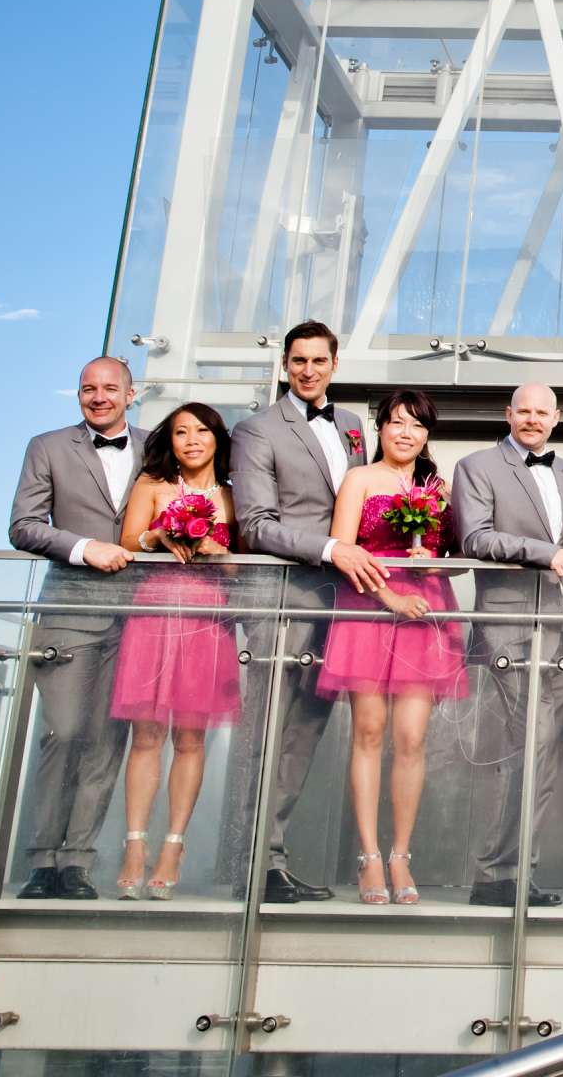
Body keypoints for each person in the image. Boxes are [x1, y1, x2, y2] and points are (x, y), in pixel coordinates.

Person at [230, 321, 386, 905]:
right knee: (267, 733)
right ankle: (250, 864)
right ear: (285, 365)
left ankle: (272, 860)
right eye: (298, 361)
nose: (308, 370)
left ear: (335, 363)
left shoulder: (349, 427)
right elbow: (255, 525)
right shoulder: (255, 430)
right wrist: (330, 548)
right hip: (283, 597)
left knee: (303, 736)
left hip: (340, 602)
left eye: (319, 360)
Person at [6, 357, 148, 899]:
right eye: (89, 388)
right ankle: (42, 859)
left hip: (139, 616)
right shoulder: (46, 447)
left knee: (108, 741)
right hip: (69, 607)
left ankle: (76, 862)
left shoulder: (157, 445)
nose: (99, 397)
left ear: (131, 394)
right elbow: (23, 526)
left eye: (110, 388)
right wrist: (84, 548)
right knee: (63, 733)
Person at [319, 389, 467, 906]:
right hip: (368, 604)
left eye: (417, 425)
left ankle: (401, 853)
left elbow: (459, 557)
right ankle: (369, 855)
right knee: (369, 731)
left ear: (428, 434)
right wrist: (389, 596)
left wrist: (435, 564)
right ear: (380, 428)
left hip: (424, 609)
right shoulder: (359, 479)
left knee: (410, 738)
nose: (406, 433)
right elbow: (342, 548)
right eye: (396, 422)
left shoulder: (438, 488)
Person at [450, 382, 563, 908]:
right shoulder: (477, 466)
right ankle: (494, 873)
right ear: (508, 414)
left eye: (541, 412)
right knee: (524, 748)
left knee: (544, 754)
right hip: (512, 625)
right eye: (523, 411)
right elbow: (475, 538)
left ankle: (516, 871)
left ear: (557, 418)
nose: (532, 419)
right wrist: (543, 551)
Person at [108, 403, 241, 901]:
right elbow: (125, 542)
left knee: (190, 738)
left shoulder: (232, 497)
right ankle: (135, 844)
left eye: (201, 431)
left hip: (207, 621)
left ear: (216, 438)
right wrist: (158, 535)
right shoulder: (152, 486)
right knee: (146, 735)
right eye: (181, 432)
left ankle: (173, 844)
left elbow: (241, 572)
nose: (191, 440)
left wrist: (215, 549)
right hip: (153, 612)